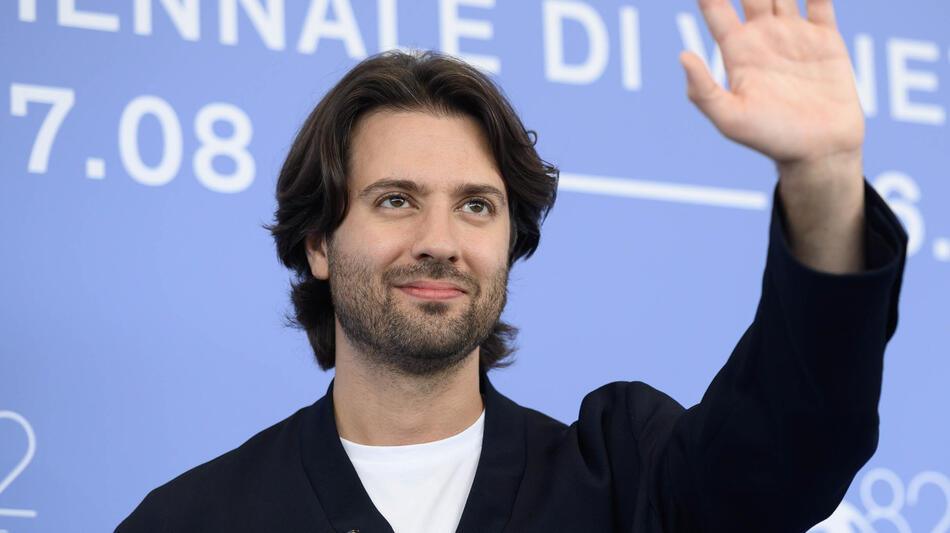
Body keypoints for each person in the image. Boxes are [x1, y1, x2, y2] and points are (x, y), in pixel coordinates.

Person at [116, 0, 908, 531]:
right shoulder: (191, 517)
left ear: (509, 241)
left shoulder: (626, 479)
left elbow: (794, 444)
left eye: (476, 205)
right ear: (319, 244)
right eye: (396, 200)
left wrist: (822, 175)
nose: (441, 239)